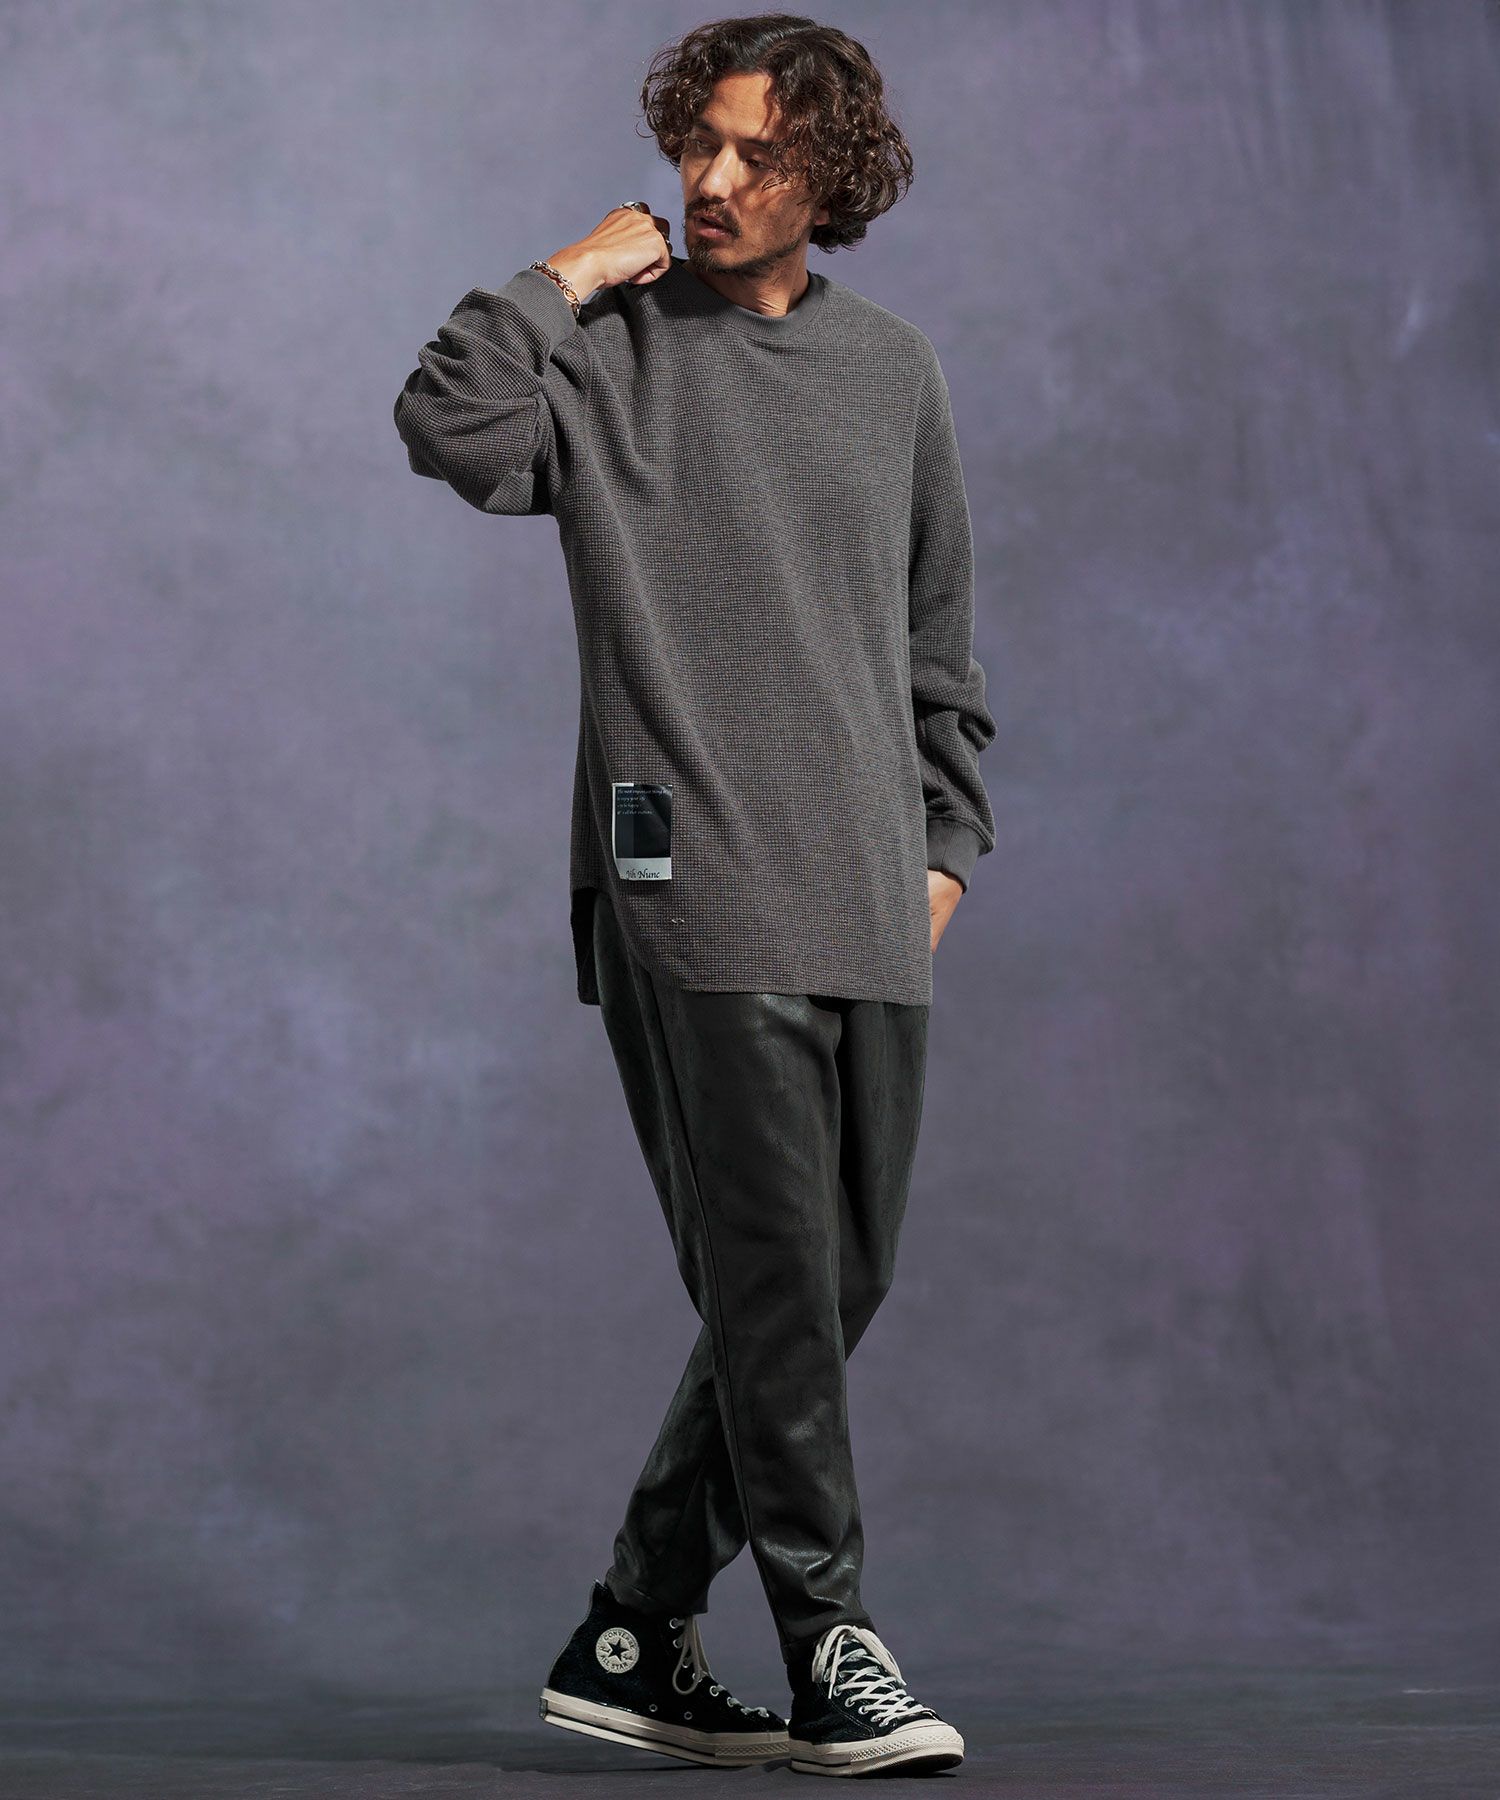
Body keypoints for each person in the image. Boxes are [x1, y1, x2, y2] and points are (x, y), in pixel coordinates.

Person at [393, 12, 995, 1778]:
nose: (711, 181)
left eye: (755, 154)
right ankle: (832, 1646)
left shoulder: (893, 372)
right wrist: (564, 277)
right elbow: (446, 421)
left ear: (833, 175)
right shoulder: (603, 355)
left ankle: (635, 1622)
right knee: (775, 1282)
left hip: (866, 881)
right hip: (686, 873)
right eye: (695, 145)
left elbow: (935, 641)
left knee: (830, 1280)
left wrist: (944, 845)